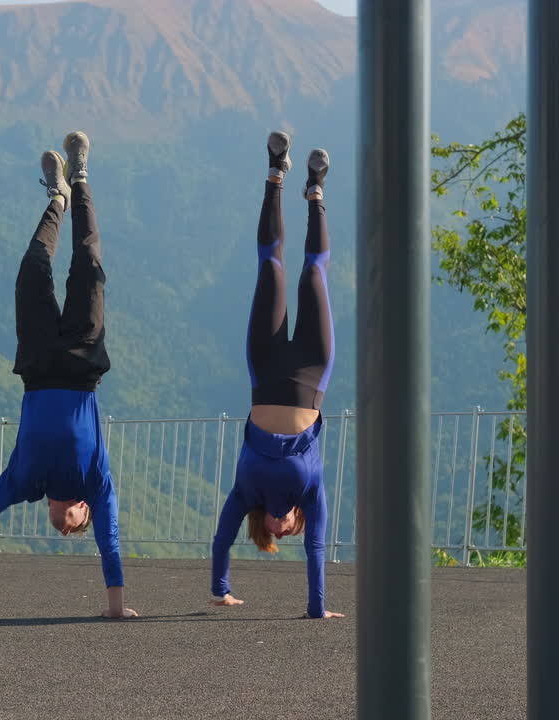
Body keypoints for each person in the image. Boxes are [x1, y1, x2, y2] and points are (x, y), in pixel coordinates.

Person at [0, 131, 136, 620]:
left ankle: (57, 198)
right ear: (83, 510)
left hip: (36, 367)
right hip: (81, 365)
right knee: (89, 265)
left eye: (64, 530)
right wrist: (116, 607)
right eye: (76, 528)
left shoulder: (23, 483)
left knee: (32, 269)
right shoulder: (97, 484)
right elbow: (111, 543)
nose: (65, 529)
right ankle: (79, 177)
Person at [209, 131, 345, 620]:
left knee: (271, 269)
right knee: (312, 274)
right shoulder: (312, 494)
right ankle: (316, 191)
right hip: (312, 373)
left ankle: (275, 172)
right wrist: (318, 609)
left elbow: (221, 538)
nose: (289, 532)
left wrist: (220, 589)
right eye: (293, 531)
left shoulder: (245, 493)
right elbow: (318, 548)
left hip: (264, 369)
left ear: (264, 526)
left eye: (278, 533)